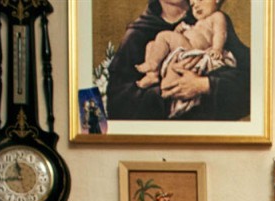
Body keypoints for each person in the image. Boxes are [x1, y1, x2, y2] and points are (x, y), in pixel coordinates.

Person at [105, 0, 250, 121]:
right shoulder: (138, 33)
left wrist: (204, 85)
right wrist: (165, 93)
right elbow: (117, 106)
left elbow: (253, 82)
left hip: (207, 140)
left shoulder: (208, 15)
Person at [134, 0, 231, 91]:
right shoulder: (199, 22)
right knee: (151, 45)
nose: (196, 6)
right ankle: (152, 75)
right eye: (192, 5)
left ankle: (153, 64)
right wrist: (181, 30)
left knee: (163, 36)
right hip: (183, 49)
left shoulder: (217, 16)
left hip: (191, 49)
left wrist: (217, 48)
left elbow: (220, 33)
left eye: (200, 0)